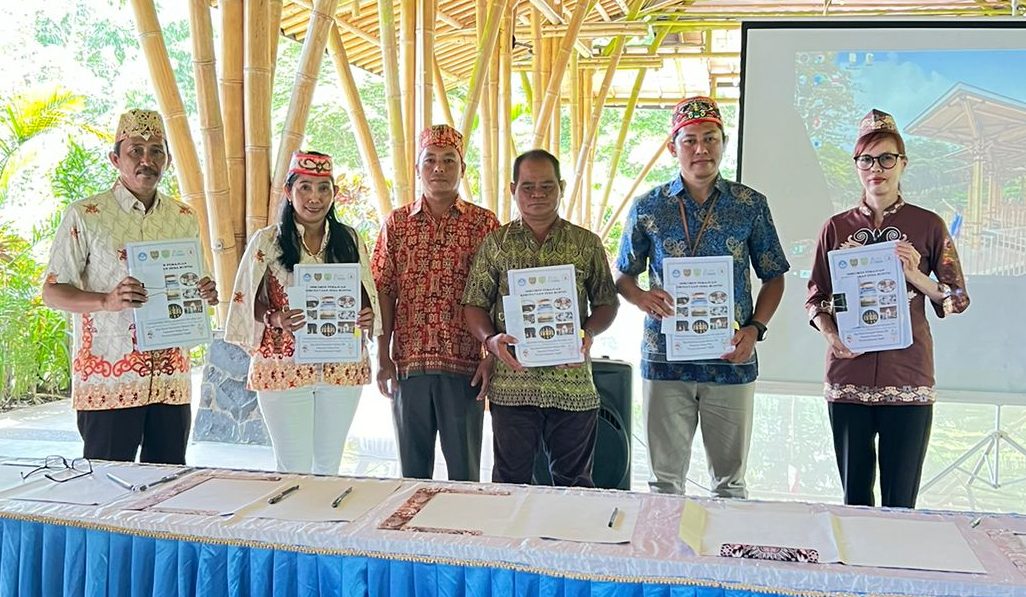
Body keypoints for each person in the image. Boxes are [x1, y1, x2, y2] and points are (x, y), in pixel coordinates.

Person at [615, 97, 790, 498]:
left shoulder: (750, 205)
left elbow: (774, 276)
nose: (701, 149)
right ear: (672, 147)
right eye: (690, 140)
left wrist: (755, 329)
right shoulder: (648, 207)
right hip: (665, 360)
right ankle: (664, 542)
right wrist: (640, 297)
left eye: (710, 138)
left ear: (723, 143)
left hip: (730, 359)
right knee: (664, 483)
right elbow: (623, 274)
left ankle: (727, 542)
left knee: (730, 484)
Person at [806, 109, 970, 508]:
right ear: (856, 165)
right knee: (855, 500)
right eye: (866, 159)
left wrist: (916, 276)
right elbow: (815, 298)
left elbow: (956, 299)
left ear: (903, 163)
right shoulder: (836, 227)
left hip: (908, 376)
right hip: (848, 374)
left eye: (886, 158)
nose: (876, 168)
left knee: (901, 501)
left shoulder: (928, 225)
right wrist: (831, 333)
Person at [41, 109, 218, 464]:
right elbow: (52, 292)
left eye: (156, 151)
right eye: (135, 150)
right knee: (106, 483)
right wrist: (106, 301)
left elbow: (194, 281)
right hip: (109, 381)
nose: (146, 160)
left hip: (170, 379)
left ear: (167, 160)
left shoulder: (184, 217)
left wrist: (205, 293)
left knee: (168, 482)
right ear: (115, 159)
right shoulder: (86, 215)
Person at [463, 149, 619, 487]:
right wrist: (490, 340)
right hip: (513, 385)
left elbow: (607, 303)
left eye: (547, 186)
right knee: (510, 483)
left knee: (575, 484)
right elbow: (473, 304)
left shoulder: (586, 244)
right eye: (528, 186)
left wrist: (588, 334)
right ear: (513, 189)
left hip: (572, 384)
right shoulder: (496, 244)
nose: (537, 194)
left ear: (561, 187)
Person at [224, 150, 378, 475]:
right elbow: (245, 298)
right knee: (293, 467)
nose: (314, 198)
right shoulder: (267, 240)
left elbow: (365, 294)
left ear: (334, 193)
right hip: (283, 366)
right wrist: (275, 318)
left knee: (328, 466)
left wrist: (366, 315)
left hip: (341, 367)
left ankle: (324, 512)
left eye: (323, 188)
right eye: (305, 187)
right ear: (288, 191)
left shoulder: (349, 239)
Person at [371, 125, 499, 481]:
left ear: (463, 168)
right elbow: (384, 291)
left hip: (465, 367)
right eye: (430, 160)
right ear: (417, 168)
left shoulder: (484, 224)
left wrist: (491, 357)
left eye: (448, 160)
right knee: (412, 476)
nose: (439, 168)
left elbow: (500, 294)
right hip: (408, 366)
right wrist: (382, 356)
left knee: (464, 475)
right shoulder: (396, 224)